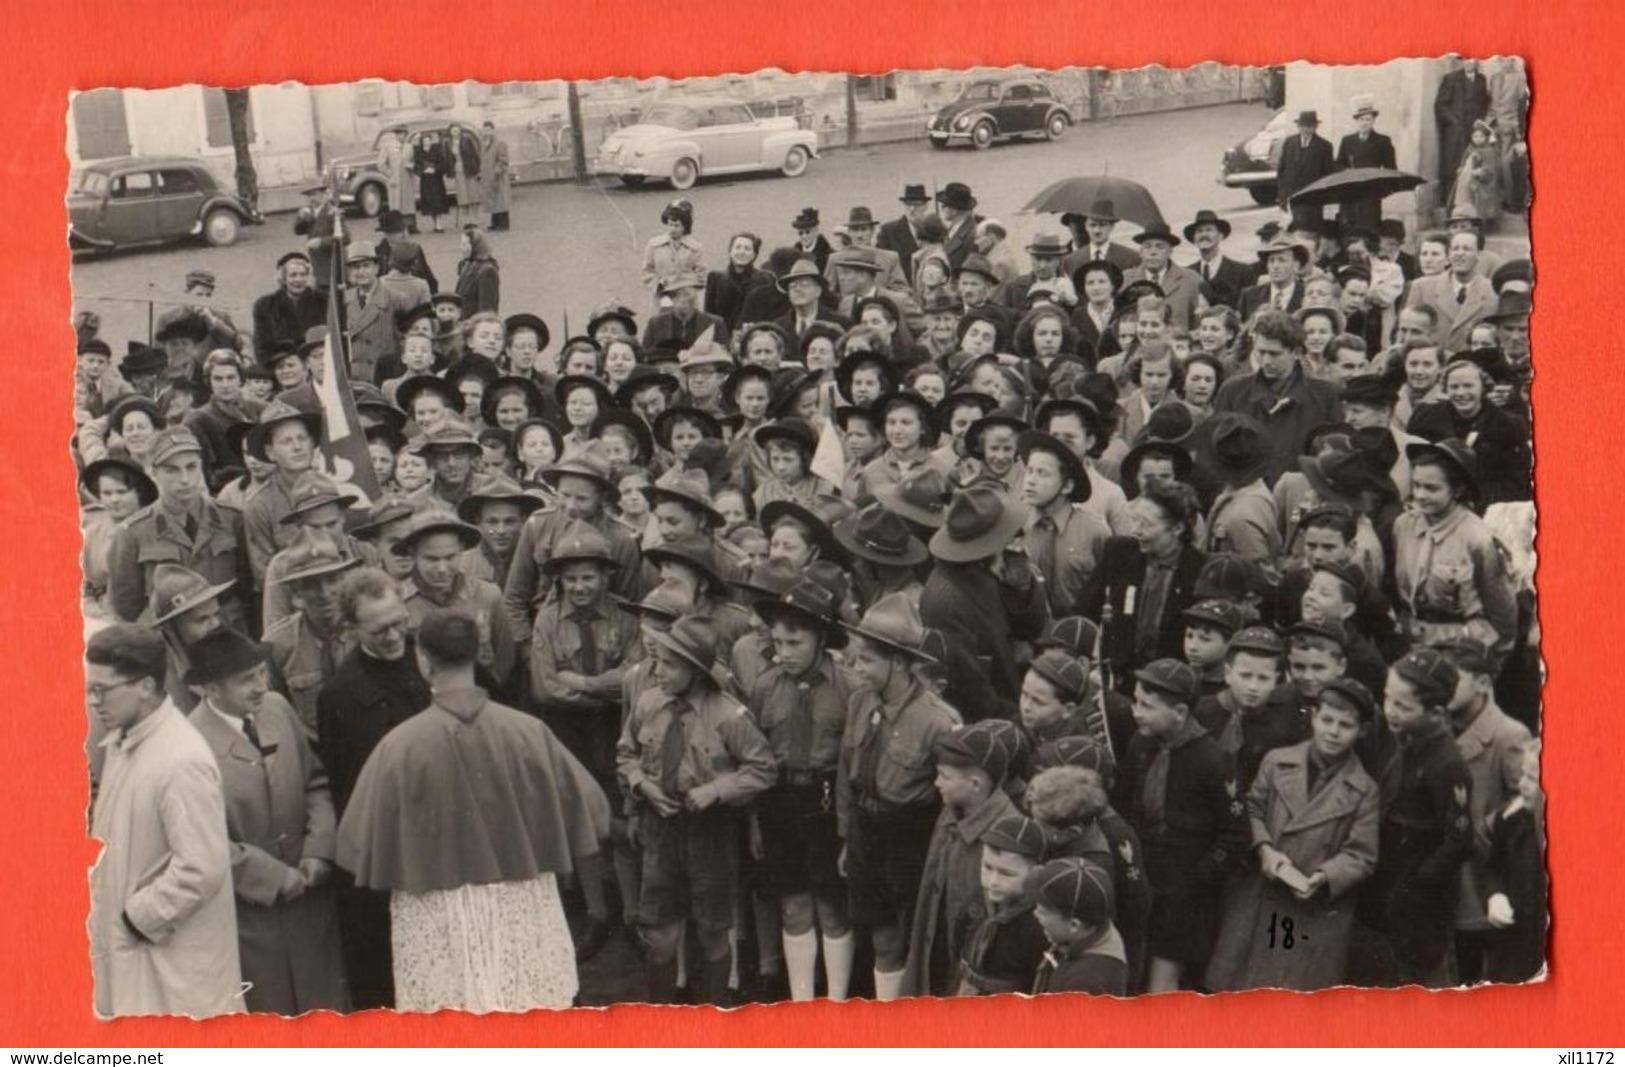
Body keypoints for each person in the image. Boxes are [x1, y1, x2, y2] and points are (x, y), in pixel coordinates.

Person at [337, 608, 612, 1013]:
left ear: (424, 661)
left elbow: (353, 846)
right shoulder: (528, 732)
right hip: (522, 901)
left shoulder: (398, 746)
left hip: (436, 911)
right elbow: (596, 813)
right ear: (478, 654)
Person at [184, 628, 350, 1015]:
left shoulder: (277, 708)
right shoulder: (191, 745)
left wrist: (320, 849)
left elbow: (315, 781)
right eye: (247, 680)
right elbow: (203, 840)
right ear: (211, 689)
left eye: (262, 673)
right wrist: (272, 878)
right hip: (253, 919)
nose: (261, 686)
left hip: (312, 901)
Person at [616, 614, 776, 1005]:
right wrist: (642, 787)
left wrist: (717, 790)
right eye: (658, 661)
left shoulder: (728, 715)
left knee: (711, 929)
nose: (658, 670)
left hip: (710, 830)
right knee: (659, 933)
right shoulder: (648, 704)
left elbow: (764, 769)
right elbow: (625, 754)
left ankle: (715, 1016)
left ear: (696, 671)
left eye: (670, 665)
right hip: (661, 826)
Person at [87, 624, 243, 1019]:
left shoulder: (181, 759)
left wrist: (134, 921)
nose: (93, 700)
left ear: (146, 686)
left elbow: (202, 868)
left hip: (176, 976)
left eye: (103, 689)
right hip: (142, 964)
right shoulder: (126, 743)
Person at [1206, 676, 1380, 992]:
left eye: (1345, 725)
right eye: (1326, 720)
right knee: (1240, 995)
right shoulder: (1276, 761)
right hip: (1260, 895)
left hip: (1311, 909)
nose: (1333, 732)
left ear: (1362, 731)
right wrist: (1264, 848)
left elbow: (1362, 855)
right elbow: (1252, 810)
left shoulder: (1364, 789)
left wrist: (1325, 876)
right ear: (1313, 717)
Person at [315, 567, 433, 1010]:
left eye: (399, 622)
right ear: (352, 629)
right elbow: (345, 788)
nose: (393, 636)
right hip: (386, 851)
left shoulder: (430, 659)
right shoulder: (339, 695)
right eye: (379, 628)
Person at [837, 593, 962, 1002]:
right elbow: (845, 773)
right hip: (865, 832)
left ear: (898, 662)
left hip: (910, 840)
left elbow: (953, 800)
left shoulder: (938, 721)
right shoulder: (859, 701)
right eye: (855, 659)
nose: (857, 669)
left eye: (867, 661)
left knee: (913, 938)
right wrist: (846, 837)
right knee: (880, 936)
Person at [747, 575, 858, 1001]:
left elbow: (854, 763)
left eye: (795, 643)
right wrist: (755, 821)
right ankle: (801, 1001)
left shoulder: (848, 688)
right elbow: (754, 757)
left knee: (831, 907)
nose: (784, 653)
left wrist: (848, 828)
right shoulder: (764, 686)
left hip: (828, 800)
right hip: (779, 801)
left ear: (821, 638)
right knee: (793, 904)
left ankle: (836, 1002)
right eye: (777, 642)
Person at [1118, 658, 1248, 992]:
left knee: (1162, 981)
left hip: (1185, 892)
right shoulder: (1139, 746)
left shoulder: (1213, 761)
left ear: (1179, 712)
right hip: (1145, 878)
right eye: (1135, 701)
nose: (1137, 712)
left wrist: (1198, 877)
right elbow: (1127, 806)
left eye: (1148, 706)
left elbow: (1235, 835)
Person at [1355, 649, 1475, 988]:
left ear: (1436, 712)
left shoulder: (1446, 764)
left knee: (1422, 976)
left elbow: (1459, 841)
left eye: (1403, 706)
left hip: (1418, 894)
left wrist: (1417, 886)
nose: (1390, 711)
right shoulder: (1403, 738)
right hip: (1389, 878)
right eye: (1388, 699)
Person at [902, 719, 1025, 997]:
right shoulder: (952, 812)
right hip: (938, 955)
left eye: (944, 776)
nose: (936, 783)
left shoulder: (1009, 834)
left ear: (975, 783)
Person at [920, 484, 1050, 723]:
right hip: (992, 722)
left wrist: (1022, 585)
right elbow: (972, 692)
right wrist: (1016, 722)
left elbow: (1030, 627)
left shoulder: (984, 570)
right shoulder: (946, 604)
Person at [107, 427, 251, 632]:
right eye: (172, 470)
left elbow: (247, 589)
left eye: (191, 467)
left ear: (201, 467)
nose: (185, 479)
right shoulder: (133, 533)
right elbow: (125, 608)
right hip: (171, 641)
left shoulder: (232, 518)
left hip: (228, 632)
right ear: (154, 473)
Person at [1392, 440, 1519, 668]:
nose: (1420, 495)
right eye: (1416, 485)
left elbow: (1503, 613)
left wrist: (1488, 665)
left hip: (1461, 646)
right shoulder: (1404, 526)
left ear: (1457, 490)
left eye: (1432, 488)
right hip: (1412, 641)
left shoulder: (1477, 538)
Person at [1213, 310, 1344, 484]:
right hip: (1248, 498)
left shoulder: (1327, 396)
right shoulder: (1233, 391)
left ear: (1296, 352)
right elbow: (1215, 455)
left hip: (1300, 499)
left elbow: (1334, 462)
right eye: (1261, 352)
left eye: (1274, 354)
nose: (1266, 361)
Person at [955, 815, 1050, 995]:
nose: (993, 881)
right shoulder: (975, 908)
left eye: (1006, 874)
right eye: (987, 867)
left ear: (1035, 873)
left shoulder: (1040, 927)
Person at [1028, 857, 1128, 995]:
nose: (1035, 913)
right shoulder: (1097, 931)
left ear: (1074, 925)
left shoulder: (1085, 983)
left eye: (1043, 911)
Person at [1335, 96, 1399, 232]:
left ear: (1373, 121)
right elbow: (1338, 163)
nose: (1364, 123)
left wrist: (1380, 188)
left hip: (1371, 193)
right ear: (1357, 121)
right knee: (1348, 227)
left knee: (1368, 228)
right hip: (1350, 192)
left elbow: (1391, 169)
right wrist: (1346, 171)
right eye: (1361, 119)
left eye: (1368, 119)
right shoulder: (1347, 141)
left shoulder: (1382, 141)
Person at [342, 240, 398, 386]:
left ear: (377, 268)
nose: (361, 272)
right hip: (354, 377)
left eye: (366, 266)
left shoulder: (395, 299)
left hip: (382, 376)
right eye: (355, 267)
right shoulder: (343, 301)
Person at [1434, 56, 1491, 187]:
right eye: (1466, 59)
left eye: (1472, 59)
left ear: (1477, 61)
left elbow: (1484, 103)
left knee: (1473, 163)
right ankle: (1450, 201)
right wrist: (1453, 121)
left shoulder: (1482, 80)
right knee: (1454, 164)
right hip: (1456, 130)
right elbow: (1440, 105)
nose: (1469, 63)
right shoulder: (1451, 78)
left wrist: (1481, 122)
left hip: (1474, 131)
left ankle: (1470, 200)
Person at [1276, 111, 1337, 229]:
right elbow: (1281, 170)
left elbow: (1328, 174)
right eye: (1302, 126)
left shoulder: (1324, 146)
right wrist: (1282, 194)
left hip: (1313, 197)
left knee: (1312, 228)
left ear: (1315, 127)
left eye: (1309, 126)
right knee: (1294, 228)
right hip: (1292, 195)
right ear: (1298, 127)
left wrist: (1323, 196)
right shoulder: (1290, 142)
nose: (1305, 129)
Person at [1184, 209, 1252, 312]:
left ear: (1220, 236)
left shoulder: (1242, 272)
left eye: (1209, 230)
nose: (1204, 235)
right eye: (1199, 231)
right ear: (1194, 239)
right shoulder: (1187, 274)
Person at [642, 199, 704, 305]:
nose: (672, 229)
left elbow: (701, 276)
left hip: (687, 300)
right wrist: (658, 284)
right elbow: (647, 271)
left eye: (677, 226)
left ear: (685, 227)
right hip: (662, 298)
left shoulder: (695, 248)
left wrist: (689, 288)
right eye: (670, 224)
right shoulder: (654, 245)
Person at [1059, 199, 1141, 276]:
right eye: (1092, 225)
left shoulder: (1131, 258)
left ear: (1111, 227)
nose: (1097, 231)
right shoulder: (1071, 261)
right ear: (1086, 226)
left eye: (1102, 225)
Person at [876, 184, 933, 284]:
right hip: (901, 291)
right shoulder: (889, 232)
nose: (912, 209)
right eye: (908, 204)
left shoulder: (933, 232)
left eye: (916, 204)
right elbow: (881, 267)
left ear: (925, 206)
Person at [410, 129, 452, 233]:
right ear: (422, 142)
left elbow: (442, 163)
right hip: (426, 180)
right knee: (430, 202)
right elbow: (416, 166)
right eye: (424, 141)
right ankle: (434, 224)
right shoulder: (418, 152)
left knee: (438, 201)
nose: (426, 142)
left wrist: (435, 169)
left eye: (428, 140)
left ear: (431, 141)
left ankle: (439, 224)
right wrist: (423, 171)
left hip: (436, 179)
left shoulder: (436, 150)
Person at [454, 227, 501, 315]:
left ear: (475, 246)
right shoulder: (467, 265)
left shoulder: (488, 272)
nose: (461, 248)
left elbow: (487, 309)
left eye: (464, 245)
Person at [478, 121, 512, 231]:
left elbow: (503, 161)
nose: (486, 132)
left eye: (488, 130)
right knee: (492, 201)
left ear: (493, 130)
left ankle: (504, 224)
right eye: (484, 130)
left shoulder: (500, 143)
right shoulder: (483, 143)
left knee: (501, 200)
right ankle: (495, 223)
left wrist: (497, 172)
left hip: (498, 176)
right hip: (487, 177)